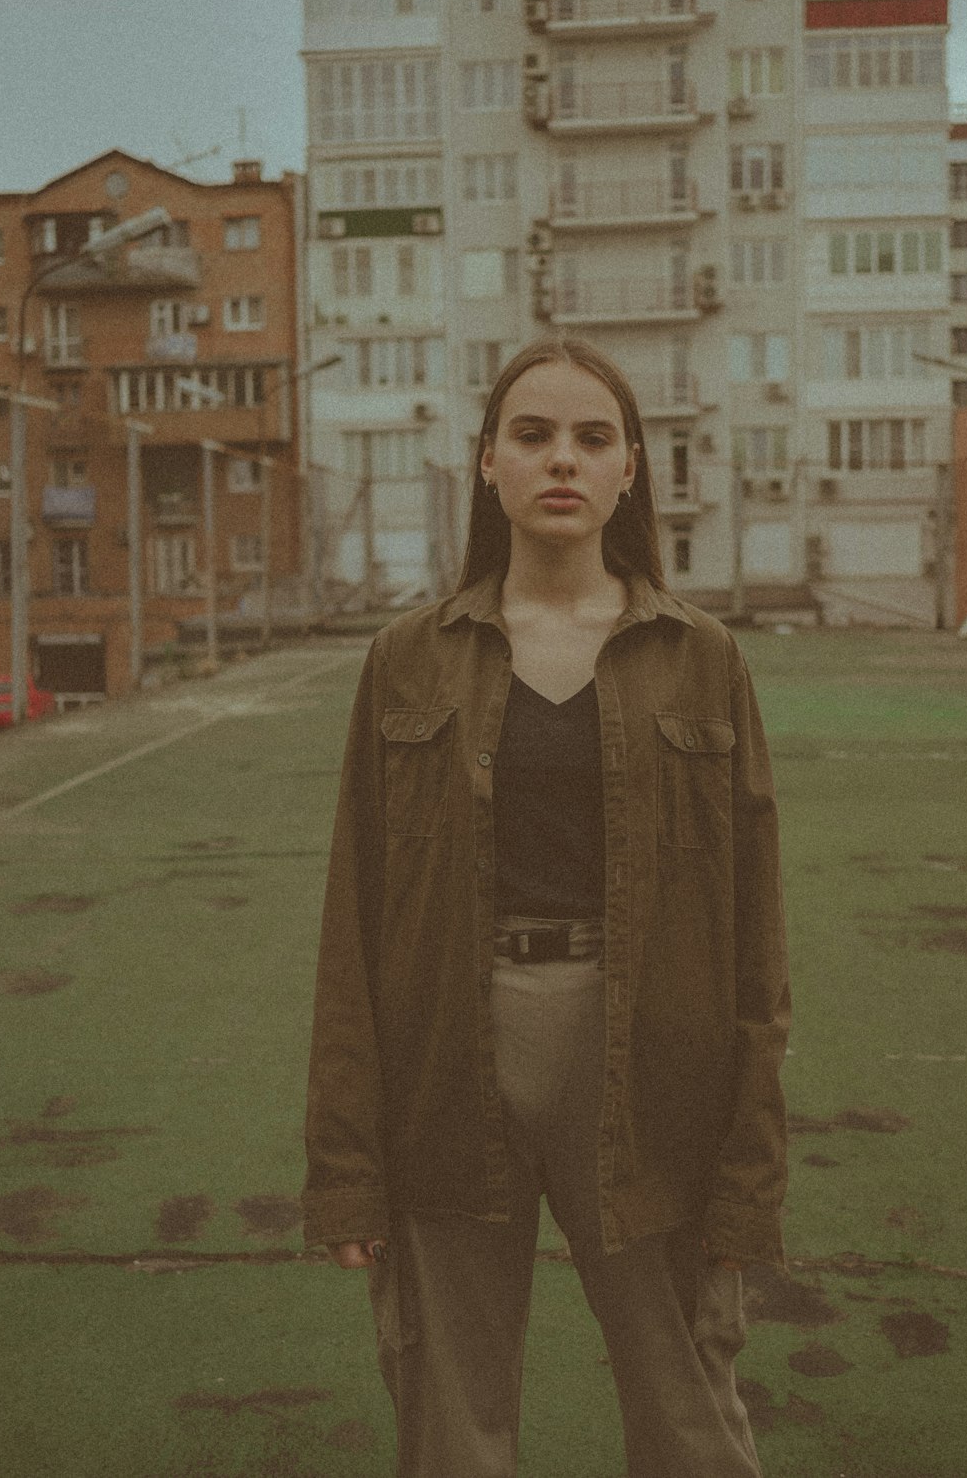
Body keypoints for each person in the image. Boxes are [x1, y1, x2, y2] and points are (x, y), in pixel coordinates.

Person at [302, 334, 790, 1478]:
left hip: (650, 1065)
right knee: (451, 1415)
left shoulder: (701, 657)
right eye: (532, 435)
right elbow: (353, 923)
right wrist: (345, 1163)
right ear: (487, 465)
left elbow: (756, 936)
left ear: (629, 471)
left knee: (688, 1410)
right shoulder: (407, 659)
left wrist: (752, 1163)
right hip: (449, 1054)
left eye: (590, 437)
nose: (560, 459)